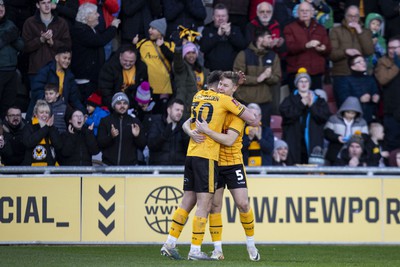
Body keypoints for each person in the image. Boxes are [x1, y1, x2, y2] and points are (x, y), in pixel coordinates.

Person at [160, 71, 260, 261]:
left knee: (241, 203)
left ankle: (250, 244)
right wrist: (190, 130)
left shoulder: (203, 96)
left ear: (234, 88)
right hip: (210, 159)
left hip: (228, 161)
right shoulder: (222, 101)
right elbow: (187, 123)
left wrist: (196, 130)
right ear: (217, 84)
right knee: (210, 206)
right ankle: (210, 250)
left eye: (225, 86)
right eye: (220, 84)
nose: (221, 88)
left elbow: (232, 138)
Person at [279, 68, 331, 165]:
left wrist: (312, 106)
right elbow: (287, 116)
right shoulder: (289, 100)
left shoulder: (319, 101)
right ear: (296, 84)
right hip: (294, 141)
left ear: (309, 83)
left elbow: (323, 117)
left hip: (313, 142)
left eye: (306, 81)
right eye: (300, 81)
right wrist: (302, 104)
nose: (304, 83)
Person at [70, 2, 120, 103]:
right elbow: (100, 41)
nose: (98, 15)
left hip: (92, 79)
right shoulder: (80, 31)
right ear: (87, 17)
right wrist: (113, 27)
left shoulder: (90, 29)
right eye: (95, 13)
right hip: (84, 82)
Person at [233, 28, 281, 126]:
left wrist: (268, 77)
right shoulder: (243, 55)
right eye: (268, 37)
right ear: (260, 39)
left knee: (264, 134)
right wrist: (258, 79)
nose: (271, 40)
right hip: (245, 102)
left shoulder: (273, 56)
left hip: (265, 104)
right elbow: (237, 77)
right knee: (243, 135)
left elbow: (277, 77)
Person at [329, 5, 374, 108]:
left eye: (356, 16)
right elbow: (331, 54)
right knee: (345, 108)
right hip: (341, 75)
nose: (353, 19)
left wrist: (360, 32)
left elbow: (369, 51)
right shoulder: (336, 31)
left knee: (362, 108)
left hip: (360, 76)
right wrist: (345, 51)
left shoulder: (365, 32)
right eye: (350, 16)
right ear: (345, 16)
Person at [283, 1, 332, 91]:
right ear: (297, 13)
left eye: (307, 10)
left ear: (312, 13)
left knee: (316, 102)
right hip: (297, 73)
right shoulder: (289, 28)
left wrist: (323, 48)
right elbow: (288, 47)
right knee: (298, 103)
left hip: (316, 73)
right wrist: (305, 45)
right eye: (302, 11)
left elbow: (329, 48)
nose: (305, 13)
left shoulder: (320, 28)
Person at [26, 46, 84, 120]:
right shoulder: (45, 71)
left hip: (58, 112)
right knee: (36, 130)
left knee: (58, 129)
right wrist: (50, 100)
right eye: (64, 58)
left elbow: (75, 99)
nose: (67, 61)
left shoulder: (69, 76)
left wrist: (83, 113)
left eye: (69, 59)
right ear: (56, 58)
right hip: (40, 112)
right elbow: (36, 90)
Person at [22, 0, 71, 88]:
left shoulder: (61, 22)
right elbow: (25, 47)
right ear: (37, 5)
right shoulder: (29, 22)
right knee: (37, 100)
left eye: (48, 2)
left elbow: (67, 46)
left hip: (56, 70)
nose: (47, 5)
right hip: (36, 70)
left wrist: (53, 43)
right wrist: (40, 40)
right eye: (43, 3)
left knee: (57, 100)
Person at [136, 17, 175, 114]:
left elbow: (174, 58)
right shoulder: (143, 43)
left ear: (160, 31)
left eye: (153, 28)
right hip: (146, 87)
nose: (149, 30)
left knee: (161, 115)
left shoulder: (170, 45)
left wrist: (162, 46)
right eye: (149, 28)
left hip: (164, 88)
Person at [97, 92, 146, 165]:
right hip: (108, 166)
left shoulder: (135, 121)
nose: (122, 106)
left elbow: (143, 144)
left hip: (129, 168)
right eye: (119, 103)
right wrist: (111, 136)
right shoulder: (105, 121)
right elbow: (100, 143)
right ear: (113, 105)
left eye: (125, 103)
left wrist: (137, 136)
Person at [98, 44, 148, 110]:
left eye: (131, 61)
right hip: (114, 104)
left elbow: (144, 87)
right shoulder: (109, 67)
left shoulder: (141, 67)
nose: (128, 63)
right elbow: (105, 91)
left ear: (136, 58)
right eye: (125, 60)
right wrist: (116, 106)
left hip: (134, 105)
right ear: (120, 56)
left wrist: (143, 102)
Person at [199, 3, 247, 71]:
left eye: (223, 16)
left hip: (231, 71)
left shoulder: (235, 29)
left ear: (227, 17)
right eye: (218, 16)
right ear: (213, 17)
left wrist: (230, 34)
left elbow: (242, 46)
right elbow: (203, 48)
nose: (221, 18)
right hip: (212, 71)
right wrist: (217, 35)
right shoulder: (207, 29)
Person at [324, 96, 369, 166]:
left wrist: (356, 138)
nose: (350, 115)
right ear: (343, 110)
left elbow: (365, 136)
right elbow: (327, 133)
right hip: (336, 151)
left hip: (354, 153)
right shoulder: (333, 119)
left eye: (353, 113)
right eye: (348, 112)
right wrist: (337, 138)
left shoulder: (362, 122)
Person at [374, 35, 400, 152]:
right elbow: (383, 79)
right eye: (389, 48)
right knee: (391, 143)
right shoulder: (382, 61)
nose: (391, 50)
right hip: (391, 110)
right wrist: (397, 63)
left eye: (395, 48)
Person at [0, 1, 24, 120]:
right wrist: (6, 37)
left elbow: (21, 46)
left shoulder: (10, 24)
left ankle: (5, 135)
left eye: (2, 6)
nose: (0, 8)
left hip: (11, 71)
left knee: (8, 106)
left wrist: (12, 38)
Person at [147, 98, 189, 165]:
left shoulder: (184, 127)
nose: (179, 113)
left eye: (182, 111)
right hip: (159, 169)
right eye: (177, 110)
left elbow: (189, 151)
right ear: (169, 110)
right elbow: (151, 145)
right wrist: (164, 135)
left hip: (178, 170)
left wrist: (185, 136)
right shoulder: (157, 124)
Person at [174, 41, 209, 120]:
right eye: (188, 53)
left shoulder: (204, 70)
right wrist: (178, 49)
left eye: (193, 52)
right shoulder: (182, 68)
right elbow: (178, 63)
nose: (191, 55)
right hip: (186, 107)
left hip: (200, 108)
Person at [22, 100, 62, 166]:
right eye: (41, 112)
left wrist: (50, 128)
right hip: (31, 168)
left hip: (49, 167)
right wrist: (46, 128)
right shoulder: (29, 126)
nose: (44, 115)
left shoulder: (52, 127)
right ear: (35, 114)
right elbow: (28, 143)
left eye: (47, 112)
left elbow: (58, 146)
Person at [347, 55, 379, 123]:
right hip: (354, 117)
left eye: (363, 61)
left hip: (370, 115)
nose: (363, 63)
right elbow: (343, 99)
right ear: (352, 67)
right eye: (359, 62)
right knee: (357, 133)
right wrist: (359, 99)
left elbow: (375, 92)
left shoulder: (370, 78)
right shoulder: (346, 80)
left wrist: (376, 97)